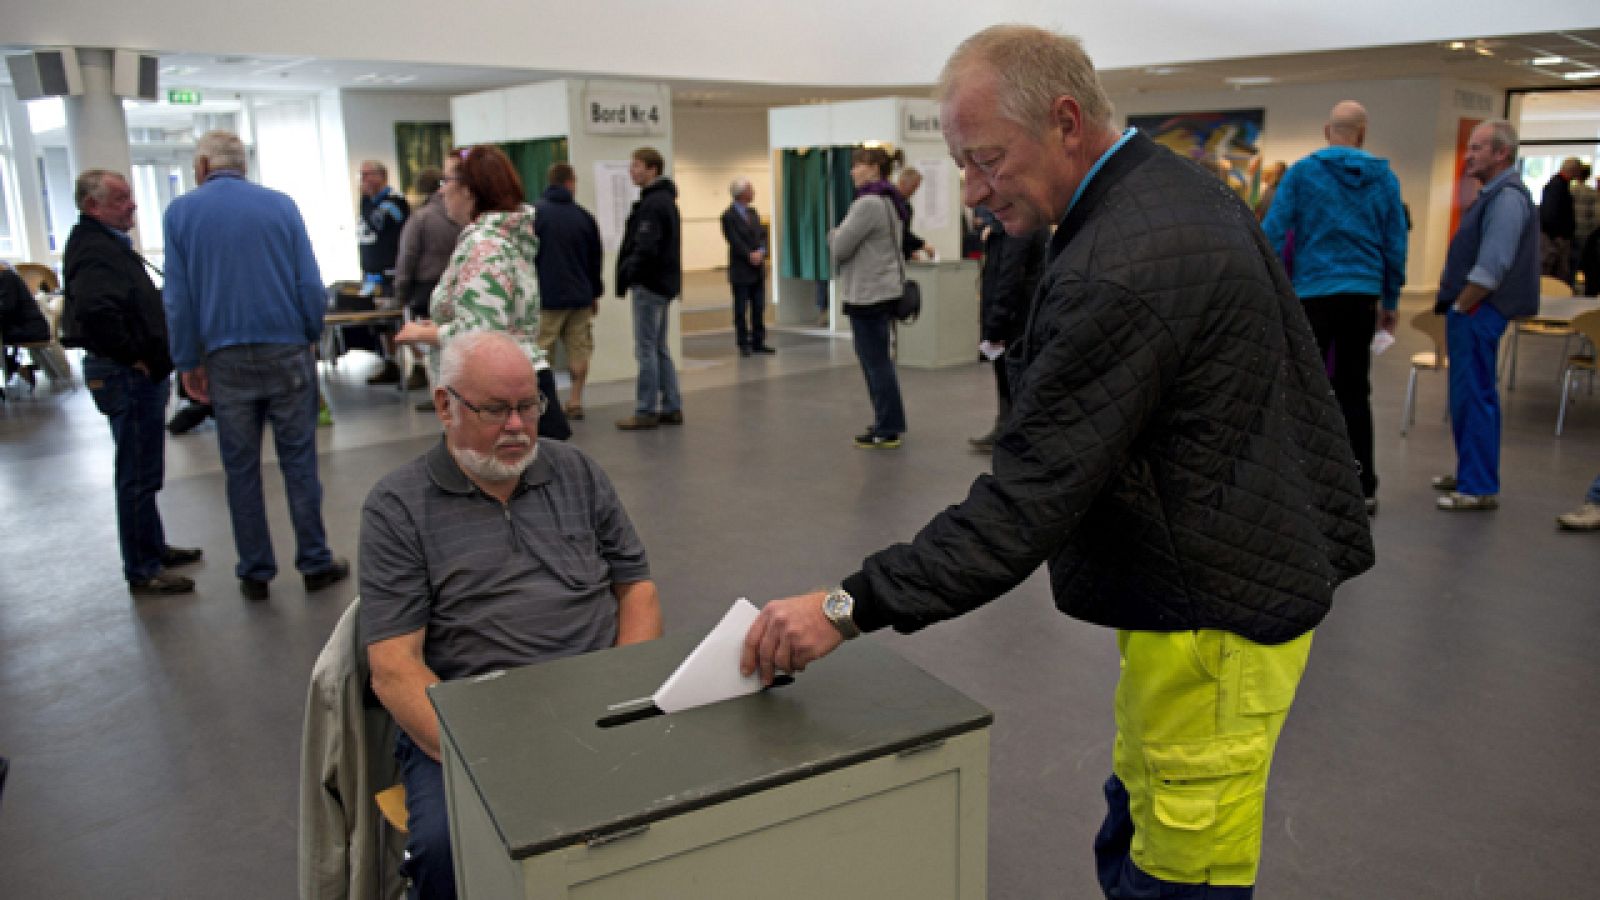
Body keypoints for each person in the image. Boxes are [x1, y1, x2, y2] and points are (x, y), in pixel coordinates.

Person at [741, 25, 1374, 899]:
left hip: (1215, 621)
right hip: (1213, 580)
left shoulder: (1122, 264)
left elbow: (1023, 505)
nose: (973, 191)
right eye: (961, 164)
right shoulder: (1171, 189)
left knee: (1179, 873)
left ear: (1066, 121)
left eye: (987, 159)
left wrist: (844, 607)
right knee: (1140, 814)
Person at [361, 330, 662, 899]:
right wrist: (483, 754)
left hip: (595, 700)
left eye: (529, 405)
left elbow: (637, 589)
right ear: (445, 405)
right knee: (450, 850)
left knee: (686, 808)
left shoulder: (578, 472)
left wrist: (624, 694)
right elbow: (394, 667)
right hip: (475, 722)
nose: (519, 427)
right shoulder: (397, 507)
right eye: (495, 410)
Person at [162, 130, 350, 600]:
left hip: (224, 357)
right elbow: (309, 283)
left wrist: (187, 360)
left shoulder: (180, 213)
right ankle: (314, 560)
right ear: (242, 165)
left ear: (202, 167)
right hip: (286, 349)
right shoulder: (281, 206)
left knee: (240, 469)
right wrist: (310, 334)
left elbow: (178, 299)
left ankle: (254, 571)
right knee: (299, 462)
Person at [62, 169, 203, 595]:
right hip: (124, 375)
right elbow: (97, 312)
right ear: (93, 206)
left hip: (132, 373)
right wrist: (134, 356)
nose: (132, 206)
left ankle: (152, 547)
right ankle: (142, 567)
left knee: (144, 470)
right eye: (120, 199)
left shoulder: (107, 245)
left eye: (130, 196)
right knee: (137, 474)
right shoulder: (94, 250)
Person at [1263, 100, 1408, 515]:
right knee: (1354, 390)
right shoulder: (1384, 179)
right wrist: (1391, 300)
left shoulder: (1302, 174)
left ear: (1328, 132)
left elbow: (1272, 232)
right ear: (1362, 134)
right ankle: (1363, 486)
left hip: (1313, 295)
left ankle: (1299, 478)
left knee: (1303, 386)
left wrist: (1274, 289)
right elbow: (1395, 245)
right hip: (1361, 297)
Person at [394, 145, 570, 441]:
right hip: (518, 383)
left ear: (468, 189)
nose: (441, 191)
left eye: (446, 181)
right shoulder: (503, 237)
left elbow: (484, 333)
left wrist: (423, 334)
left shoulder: (484, 246)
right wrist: (443, 325)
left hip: (500, 394)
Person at [1433, 120, 1540, 512]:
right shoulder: (1493, 195)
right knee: (1466, 395)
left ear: (1501, 153)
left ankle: (1477, 485)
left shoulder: (1507, 198)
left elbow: (1492, 265)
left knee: (1475, 394)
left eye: (1478, 148)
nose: (1469, 155)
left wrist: (1462, 305)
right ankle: (1471, 472)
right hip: (1475, 311)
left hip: (1480, 310)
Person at [834, 145, 909, 449]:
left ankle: (887, 427)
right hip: (884, 290)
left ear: (874, 169)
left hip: (867, 294)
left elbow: (839, 247)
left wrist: (833, 234)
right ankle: (888, 421)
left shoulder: (867, 204)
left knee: (875, 363)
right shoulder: (890, 200)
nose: (852, 171)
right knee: (880, 360)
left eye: (858, 166)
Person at [614, 146, 684, 430]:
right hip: (664, 284)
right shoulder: (665, 201)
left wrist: (632, 272)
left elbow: (646, 246)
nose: (632, 171)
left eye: (637, 166)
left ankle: (646, 410)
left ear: (652, 169)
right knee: (659, 347)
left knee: (646, 349)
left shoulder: (653, 205)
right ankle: (672, 405)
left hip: (649, 285)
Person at [969, 210, 1046, 451]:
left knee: (1012, 378)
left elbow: (1009, 276)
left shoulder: (1019, 227)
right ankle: (1006, 429)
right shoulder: (1021, 223)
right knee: (1008, 378)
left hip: (1015, 319)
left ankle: (1014, 435)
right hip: (1018, 316)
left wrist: (995, 323)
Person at [533, 162, 604, 418]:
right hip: (580, 297)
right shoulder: (584, 217)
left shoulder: (535, 215)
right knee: (579, 348)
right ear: (570, 183)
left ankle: (545, 404)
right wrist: (594, 293)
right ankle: (575, 401)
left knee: (541, 352)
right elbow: (595, 261)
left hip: (546, 298)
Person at [394, 166, 463, 411]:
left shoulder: (420, 218)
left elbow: (407, 256)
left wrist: (400, 292)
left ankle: (441, 396)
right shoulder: (461, 216)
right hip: (458, 287)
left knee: (432, 344)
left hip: (427, 289)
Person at [356, 160, 422, 389]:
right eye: (361, 175)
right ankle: (391, 363)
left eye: (368, 174)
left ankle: (420, 366)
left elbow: (378, 222)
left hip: (392, 274)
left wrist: (364, 201)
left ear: (382, 176)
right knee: (381, 325)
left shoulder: (394, 201)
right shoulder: (369, 202)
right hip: (372, 275)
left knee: (401, 321)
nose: (364, 180)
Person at [720, 177, 773, 356]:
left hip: (757, 270)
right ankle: (743, 342)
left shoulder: (753, 212)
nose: (754, 192)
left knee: (759, 307)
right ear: (742, 193)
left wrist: (762, 251)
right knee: (741, 309)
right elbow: (734, 240)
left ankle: (758, 341)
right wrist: (749, 255)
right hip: (741, 270)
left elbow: (762, 235)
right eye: (751, 189)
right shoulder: (728, 216)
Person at [0, 261, 50, 390]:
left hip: (30, 329)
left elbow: (7, 308)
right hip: (21, 327)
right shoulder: (7, 277)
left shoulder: (6, 277)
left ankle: (14, 368)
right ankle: (15, 368)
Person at [1539, 157, 1580, 285]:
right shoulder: (1557, 186)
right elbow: (1550, 214)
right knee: (1555, 276)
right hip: (1556, 239)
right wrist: (1557, 236)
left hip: (1555, 237)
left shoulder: (1557, 185)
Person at [896, 166, 932, 260]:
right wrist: (922, 245)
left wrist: (910, 251)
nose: (914, 191)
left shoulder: (907, 206)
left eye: (916, 188)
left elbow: (903, 237)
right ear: (902, 183)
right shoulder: (892, 204)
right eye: (913, 187)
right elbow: (900, 233)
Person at [1572, 163, 1596, 283]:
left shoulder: (1570, 190)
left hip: (1570, 233)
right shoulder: (1593, 194)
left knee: (1569, 263)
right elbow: (1596, 217)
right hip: (1586, 234)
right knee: (1584, 263)